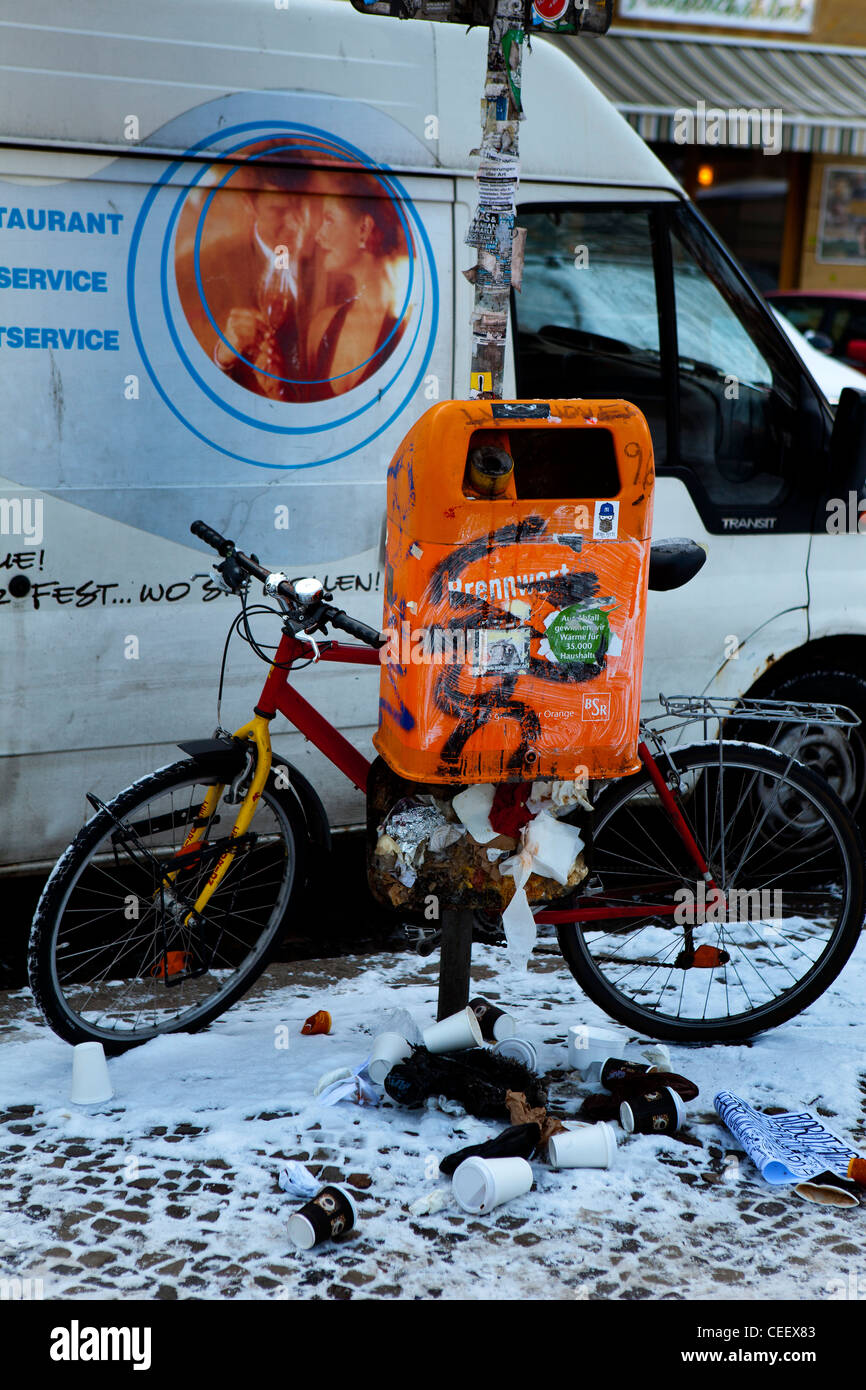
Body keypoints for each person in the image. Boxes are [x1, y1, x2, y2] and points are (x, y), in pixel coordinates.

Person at [175, 146, 319, 401]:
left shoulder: (335, 264)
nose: (294, 223)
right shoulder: (203, 268)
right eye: (279, 210)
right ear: (250, 206)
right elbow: (178, 368)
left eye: (301, 207)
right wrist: (223, 353)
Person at [306, 174, 408, 400]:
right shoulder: (321, 327)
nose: (318, 235)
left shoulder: (407, 327)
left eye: (329, 219)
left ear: (364, 228)